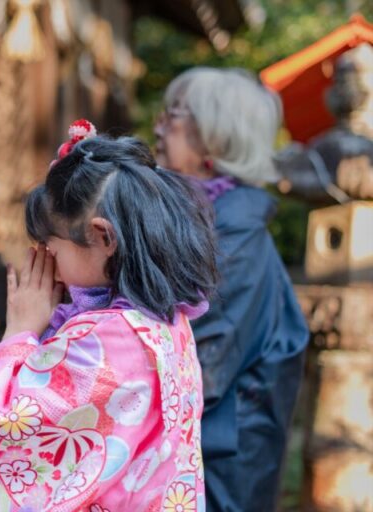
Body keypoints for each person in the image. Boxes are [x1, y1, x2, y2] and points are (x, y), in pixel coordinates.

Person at [0, 121, 218, 511]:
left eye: (51, 248)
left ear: (102, 237)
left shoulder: (114, 339)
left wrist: (19, 333)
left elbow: (13, 427)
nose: (46, 264)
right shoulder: (168, 320)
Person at [154, 68, 310, 512]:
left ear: (216, 138)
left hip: (216, 474)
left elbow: (196, 370)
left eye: (174, 114)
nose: (159, 125)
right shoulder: (211, 223)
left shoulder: (233, 240)